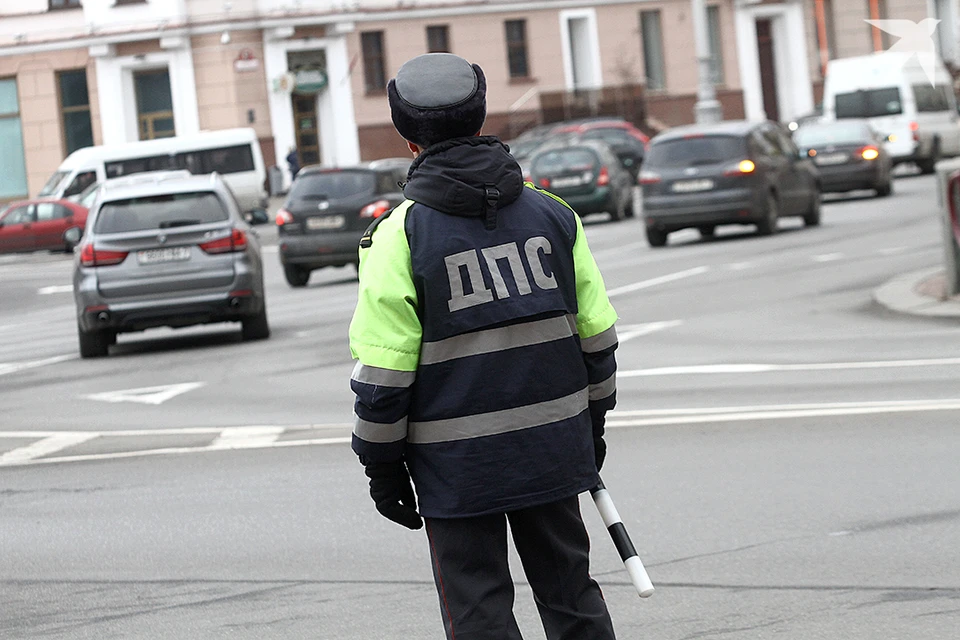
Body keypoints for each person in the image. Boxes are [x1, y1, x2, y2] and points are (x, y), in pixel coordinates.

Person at [348, 53, 620, 640]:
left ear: (406, 134)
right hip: (552, 448)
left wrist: (383, 469)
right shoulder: (555, 217)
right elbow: (597, 341)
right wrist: (590, 428)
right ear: (481, 115)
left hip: (456, 470)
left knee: (479, 615)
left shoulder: (398, 237)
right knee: (572, 597)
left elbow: (383, 378)